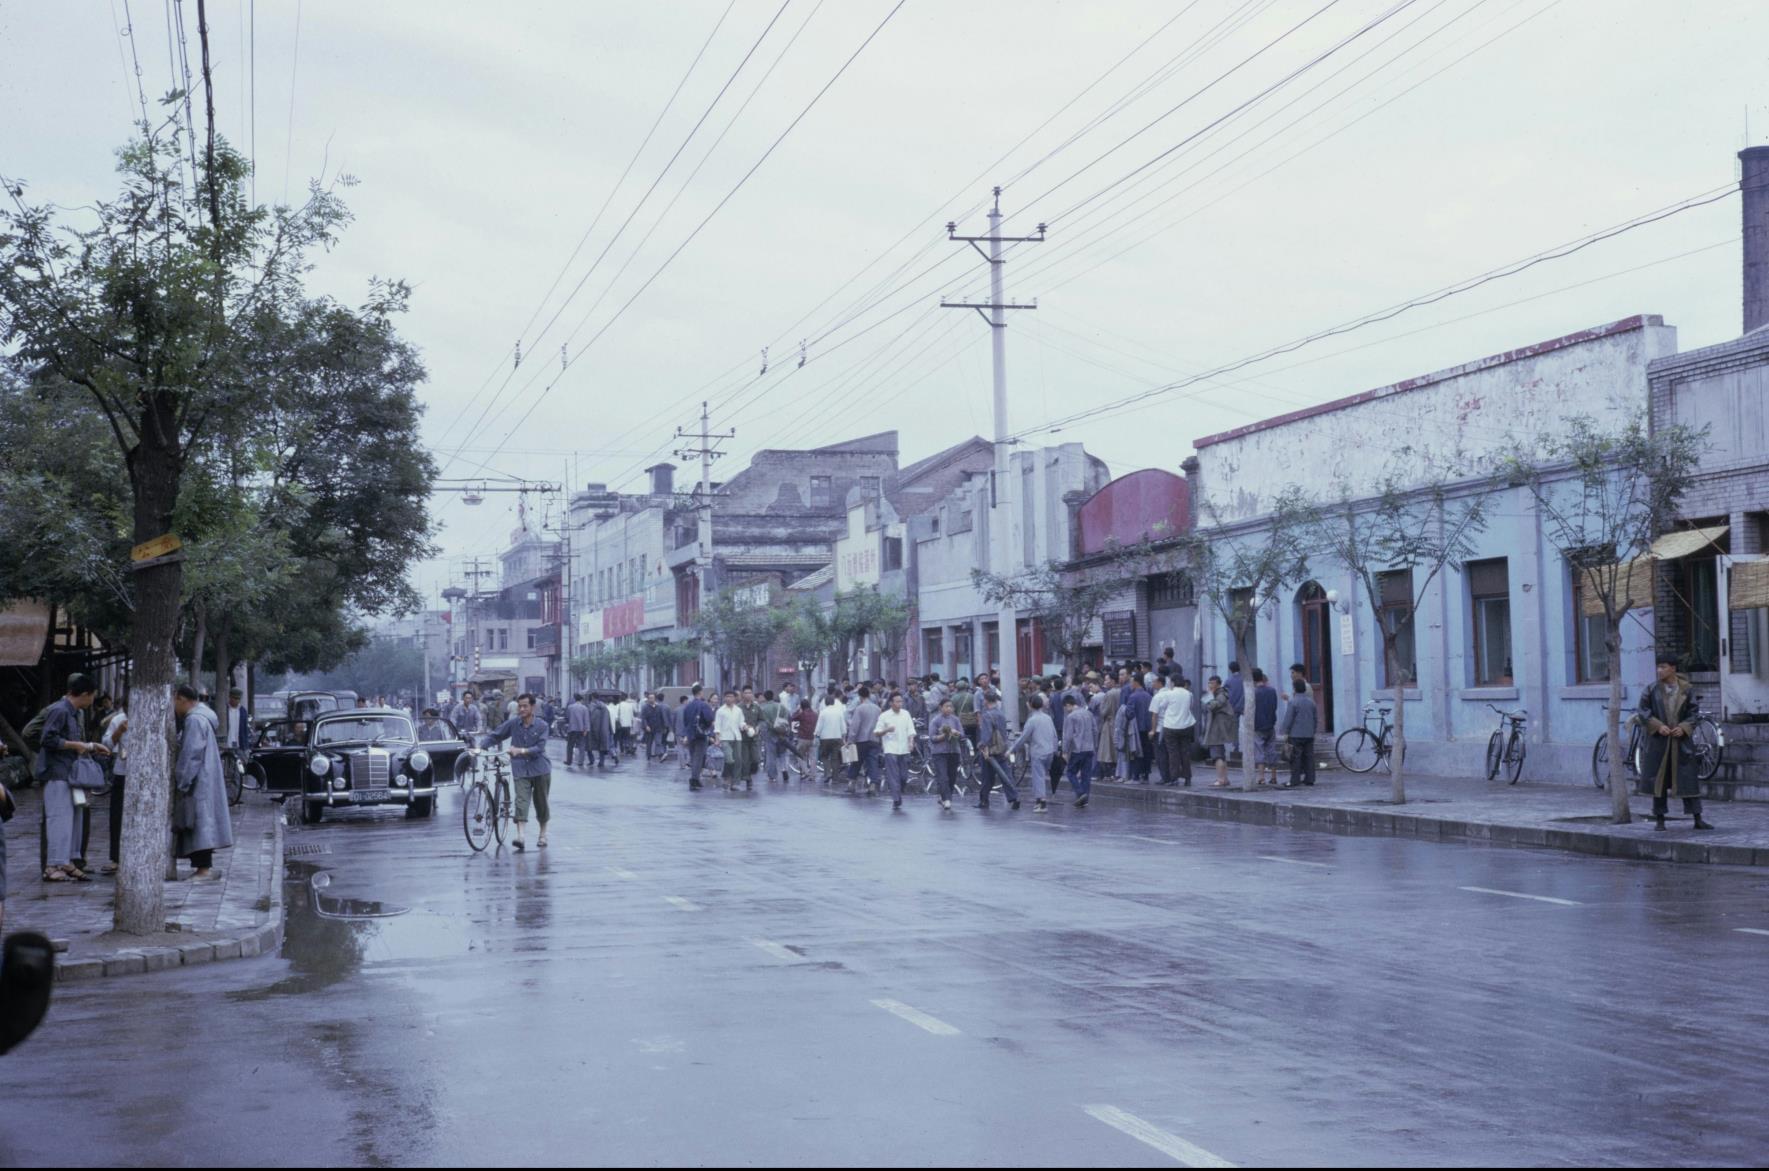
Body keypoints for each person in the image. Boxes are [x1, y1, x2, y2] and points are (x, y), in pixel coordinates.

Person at [37, 675, 107, 883]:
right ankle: (52, 865)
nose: (93, 700)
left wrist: (91, 747)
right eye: (92, 696)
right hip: (57, 773)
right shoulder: (59, 710)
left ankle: (66, 860)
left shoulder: (74, 713)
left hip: (69, 774)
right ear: (85, 694)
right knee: (59, 819)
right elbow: (47, 739)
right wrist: (75, 745)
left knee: (71, 820)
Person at [1640, 655, 1714, 831]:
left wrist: (1685, 727)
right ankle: (1659, 819)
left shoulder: (1686, 690)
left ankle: (1697, 818)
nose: (1659, 670)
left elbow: (1694, 712)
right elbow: (1643, 712)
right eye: (1658, 667)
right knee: (1659, 781)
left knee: (1688, 779)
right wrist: (1658, 726)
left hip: (1681, 743)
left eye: (1663, 666)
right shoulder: (1651, 690)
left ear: (1673, 668)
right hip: (1659, 742)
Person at [173, 684, 233, 879]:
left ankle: (203, 869)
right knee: (202, 822)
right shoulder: (203, 718)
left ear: (181, 699)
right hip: (205, 776)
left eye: (174, 702)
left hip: (199, 778)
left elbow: (191, 754)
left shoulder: (194, 720)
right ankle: (202, 867)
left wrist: (182, 780)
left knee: (199, 823)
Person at [481, 693, 553, 850]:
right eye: (520, 706)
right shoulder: (513, 723)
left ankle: (542, 834)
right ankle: (520, 836)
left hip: (540, 769)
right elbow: (496, 735)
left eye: (525, 706)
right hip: (520, 769)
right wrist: (481, 746)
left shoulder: (542, 725)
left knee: (541, 803)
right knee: (521, 801)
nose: (521, 709)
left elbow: (539, 748)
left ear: (532, 707)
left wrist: (519, 750)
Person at [1007, 693, 1057, 813]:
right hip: (1049, 751)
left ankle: (1042, 802)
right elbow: (1054, 735)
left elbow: (1023, 738)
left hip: (1038, 751)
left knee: (1038, 777)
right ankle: (1039, 801)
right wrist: (1055, 750)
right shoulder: (1048, 718)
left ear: (1030, 705)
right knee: (1042, 776)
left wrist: (1011, 750)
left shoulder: (1032, 720)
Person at [974, 692, 1021, 810]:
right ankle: (1014, 797)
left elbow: (987, 735)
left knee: (987, 777)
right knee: (1006, 774)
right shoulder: (1001, 714)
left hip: (989, 750)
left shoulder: (986, 715)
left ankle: (984, 800)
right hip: (1001, 748)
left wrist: (981, 745)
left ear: (986, 701)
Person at [874, 692, 918, 811]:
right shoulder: (884, 716)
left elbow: (910, 729)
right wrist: (886, 730)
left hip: (904, 749)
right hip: (890, 748)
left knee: (903, 776)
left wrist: (911, 741)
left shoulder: (906, 714)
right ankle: (896, 798)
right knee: (893, 775)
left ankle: (900, 789)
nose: (900, 704)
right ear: (891, 703)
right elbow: (877, 732)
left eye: (901, 701)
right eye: (897, 701)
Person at [100, 700, 129, 875]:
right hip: (122, 772)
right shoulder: (119, 720)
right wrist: (119, 732)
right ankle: (116, 858)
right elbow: (106, 745)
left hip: (145, 775)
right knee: (117, 816)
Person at [1153, 674, 1196, 787]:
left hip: (1171, 726)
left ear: (1172, 683)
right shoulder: (1189, 694)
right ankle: (1187, 778)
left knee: (1173, 754)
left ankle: (1174, 778)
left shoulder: (1169, 694)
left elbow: (1162, 706)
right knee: (1185, 753)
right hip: (1186, 725)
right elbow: (1191, 707)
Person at [1279, 675, 1319, 788]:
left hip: (1295, 734)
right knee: (1309, 757)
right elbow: (1315, 719)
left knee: (1295, 758)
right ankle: (1310, 779)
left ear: (1294, 689)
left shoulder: (1293, 702)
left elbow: (1289, 718)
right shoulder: (1311, 702)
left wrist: (1285, 732)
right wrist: (1313, 731)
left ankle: (1294, 780)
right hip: (1309, 734)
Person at [844, 685, 883, 797]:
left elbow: (855, 726)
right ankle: (873, 786)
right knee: (873, 763)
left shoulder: (859, 708)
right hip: (875, 739)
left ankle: (851, 784)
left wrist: (850, 740)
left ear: (860, 696)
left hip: (861, 740)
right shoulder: (877, 709)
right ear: (869, 695)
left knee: (856, 762)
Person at [926, 698, 964, 809]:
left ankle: (944, 797)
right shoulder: (935, 721)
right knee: (943, 777)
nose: (949, 709)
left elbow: (962, 735)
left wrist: (956, 733)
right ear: (940, 708)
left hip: (954, 751)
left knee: (952, 777)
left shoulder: (956, 720)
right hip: (939, 753)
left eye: (950, 706)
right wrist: (944, 735)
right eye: (946, 706)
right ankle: (947, 799)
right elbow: (932, 738)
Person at [1060, 693, 1095, 808]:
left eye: (1065, 707)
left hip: (1077, 749)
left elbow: (1068, 736)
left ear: (1068, 705)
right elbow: (1095, 730)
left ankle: (1080, 793)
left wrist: (1064, 751)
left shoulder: (1071, 717)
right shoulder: (1089, 714)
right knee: (1086, 775)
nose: (1066, 710)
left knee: (1070, 772)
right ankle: (1085, 799)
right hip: (1089, 748)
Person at [1203, 675, 1238, 788]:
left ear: (1218, 684)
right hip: (1216, 728)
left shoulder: (1221, 695)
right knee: (1220, 756)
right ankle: (1224, 779)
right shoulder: (1218, 694)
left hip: (1217, 730)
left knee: (1217, 756)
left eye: (1212, 683)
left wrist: (1208, 695)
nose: (1210, 685)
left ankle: (1221, 779)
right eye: (1209, 683)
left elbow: (1212, 705)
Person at [681, 686, 716, 790]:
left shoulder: (688, 706)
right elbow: (709, 718)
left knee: (693, 757)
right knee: (699, 757)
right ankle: (694, 779)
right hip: (701, 734)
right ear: (700, 692)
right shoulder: (704, 705)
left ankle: (695, 778)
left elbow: (685, 721)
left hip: (691, 734)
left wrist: (686, 735)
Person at [713, 691, 748, 791]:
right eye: (727, 696)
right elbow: (717, 726)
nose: (729, 698)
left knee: (738, 760)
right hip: (725, 738)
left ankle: (734, 783)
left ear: (735, 698)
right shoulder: (720, 711)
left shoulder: (738, 710)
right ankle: (726, 778)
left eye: (731, 696)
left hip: (737, 737)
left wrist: (744, 726)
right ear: (724, 698)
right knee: (729, 759)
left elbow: (741, 722)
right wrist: (717, 738)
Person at [1251, 669, 1281, 787]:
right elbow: (1275, 706)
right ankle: (1274, 777)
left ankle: (1261, 777)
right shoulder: (1272, 691)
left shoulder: (1253, 692)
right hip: (1270, 723)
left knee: (1259, 750)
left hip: (1258, 725)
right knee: (1271, 750)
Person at [815, 694, 848, 784]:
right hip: (837, 737)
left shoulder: (823, 712)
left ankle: (827, 773)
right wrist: (844, 736)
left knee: (824, 756)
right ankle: (835, 778)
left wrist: (816, 734)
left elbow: (819, 726)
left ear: (825, 703)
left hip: (825, 738)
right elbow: (843, 726)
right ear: (833, 702)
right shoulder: (839, 712)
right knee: (835, 758)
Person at [758, 689, 787, 783]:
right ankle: (784, 770)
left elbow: (763, 723)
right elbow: (787, 717)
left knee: (771, 755)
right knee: (782, 753)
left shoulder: (763, 708)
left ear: (765, 698)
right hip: (782, 733)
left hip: (770, 734)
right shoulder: (781, 706)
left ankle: (772, 776)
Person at [587, 694, 617, 769]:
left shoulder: (591, 708)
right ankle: (601, 762)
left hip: (593, 730)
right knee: (602, 746)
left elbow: (590, 720)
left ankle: (591, 760)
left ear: (592, 698)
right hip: (604, 730)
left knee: (588, 746)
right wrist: (610, 729)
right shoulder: (605, 708)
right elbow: (608, 720)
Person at [565, 693, 591, 768]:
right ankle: (580, 761)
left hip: (572, 729)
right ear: (581, 700)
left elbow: (567, 717)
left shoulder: (570, 707)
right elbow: (586, 720)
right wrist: (586, 729)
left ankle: (569, 760)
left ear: (575, 699)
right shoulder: (584, 708)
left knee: (570, 745)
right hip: (581, 729)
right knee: (581, 746)